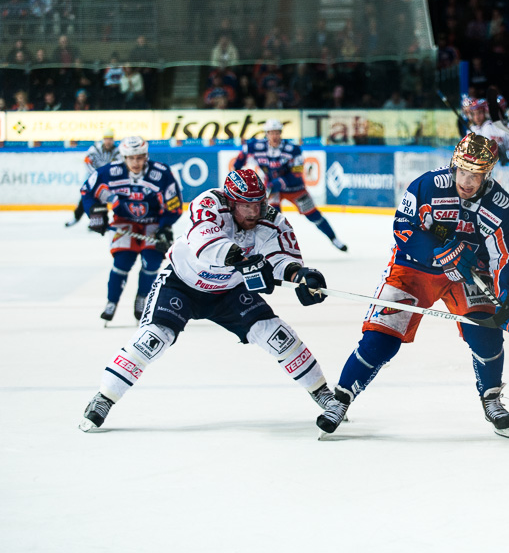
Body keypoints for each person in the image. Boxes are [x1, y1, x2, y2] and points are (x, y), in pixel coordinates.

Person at [78, 168, 342, 432]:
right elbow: (205, 241)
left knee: (276, 334)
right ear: (230, 200)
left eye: (257, 204)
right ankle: (104, 398)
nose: (252, 212)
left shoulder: (273, 220)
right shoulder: (209, 203)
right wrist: (243, 261)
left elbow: (280, 257)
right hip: (181, 283)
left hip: (229, 290)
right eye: (244, 205)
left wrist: (300, 275)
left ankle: (323, 394)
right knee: (153, 338)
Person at [315, 134, 509, 437]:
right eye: (464, 171)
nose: (468, 181)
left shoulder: (504, 208)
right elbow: (402, 227)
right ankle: (340, 399)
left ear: (489, 173)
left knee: (486, 332)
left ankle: (492, 399)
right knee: (381, 338)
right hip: (412, 269)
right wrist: (436, 251)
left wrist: (508, 294)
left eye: (477, 174)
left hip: (466, 275)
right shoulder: (427, 185)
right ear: (454, 165)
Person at [79, 136, 182, 323]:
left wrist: (166, 226)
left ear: (146, 156)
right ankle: (111, 301)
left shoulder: (161, 173)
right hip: (123, 221)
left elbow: (174, 204)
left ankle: (142, 298)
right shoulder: (110, 172)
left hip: (154, 222)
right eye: (131, 158)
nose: (136, 162)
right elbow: (87, 191)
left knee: (151, 263)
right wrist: (95, 214)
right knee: (122, 262)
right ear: (124, 157)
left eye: (140, 157)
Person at [233, 119, 348, 251]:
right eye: (271, 133)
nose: (274, 136)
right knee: (273, 218)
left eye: (277, 133)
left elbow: (297, 174)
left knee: (313, 215)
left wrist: (279, 182)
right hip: (273, 189)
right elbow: (242, 156)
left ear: (281, 133)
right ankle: (276, 248)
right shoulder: (256, 146)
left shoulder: (293, 149)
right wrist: (237, 172)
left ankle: (334, 238)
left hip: (295, 189)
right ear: (266, 134)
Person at [66, 129, 121, 227]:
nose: (108, 141)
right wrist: (96, 175)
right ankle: (76, 217)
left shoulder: (117, 151)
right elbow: (87, 162)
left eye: (110, 139)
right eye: (106, 139)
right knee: (86, 197)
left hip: (108, 179)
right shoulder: (95, 148)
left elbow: (119, 166)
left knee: (104, 198)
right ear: (103, 139)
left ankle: (100, 221)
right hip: (93, 178)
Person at [462, 97, 509, 164]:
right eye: (474, 114)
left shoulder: (489, 127)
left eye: (480, 113)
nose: (477, 117)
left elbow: (497, 151)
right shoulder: (474, 129)